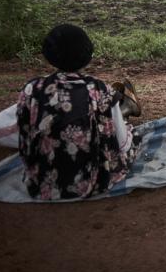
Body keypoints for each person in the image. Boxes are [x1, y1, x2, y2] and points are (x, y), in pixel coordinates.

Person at [16, 24, 139, 200]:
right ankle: (126, 110)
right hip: (94, 182)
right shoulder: (98, 88)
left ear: (48, 54)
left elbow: (25, 142)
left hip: (40, 184)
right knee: (132, 135)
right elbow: (121, 143)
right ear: (87, 54)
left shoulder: (32, 89)